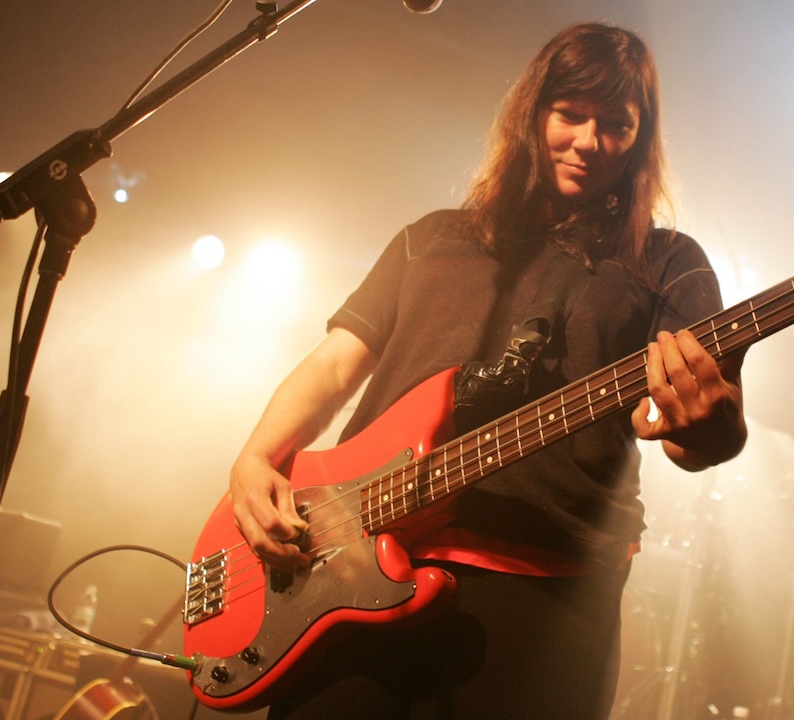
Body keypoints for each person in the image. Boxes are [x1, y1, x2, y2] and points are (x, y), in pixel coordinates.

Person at [228, 21, 747, 720]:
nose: (590, 143)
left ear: (640, 138)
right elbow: (333, 367)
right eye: (571, 115)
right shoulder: (434, 238)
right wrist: (257, 457)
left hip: (547, 590)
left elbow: (696, 435)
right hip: (349, 562)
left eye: (616, 125)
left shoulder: (669, 264)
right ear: (534, 113)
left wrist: (712, 428)